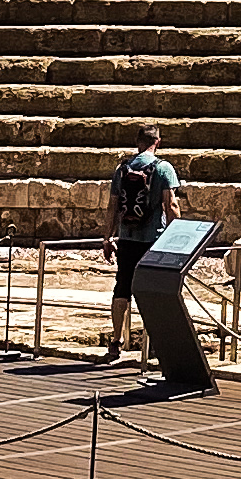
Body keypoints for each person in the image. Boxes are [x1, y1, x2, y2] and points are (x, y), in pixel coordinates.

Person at [104, 125, 179, 360]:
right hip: (153, 240)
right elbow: (171, 205)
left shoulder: (122, 169)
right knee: (154, 291)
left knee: (122, 288)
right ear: (158, 142)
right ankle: (155, 344)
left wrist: (107, 238)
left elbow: (113, 207)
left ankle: (116, 340)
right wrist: (177, 238)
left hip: (127, 238)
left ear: (137, 142)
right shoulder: (164, 168)